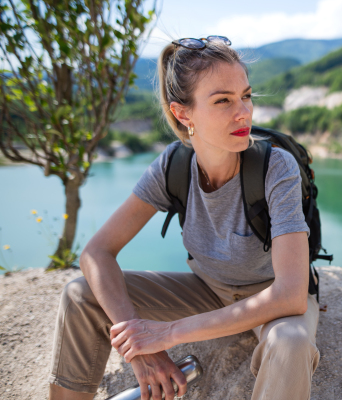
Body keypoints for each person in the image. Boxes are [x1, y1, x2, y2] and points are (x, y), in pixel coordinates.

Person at [47, 36, 320, 400]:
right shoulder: (173, 166)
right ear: (183, 113)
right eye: (223, 100)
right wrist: (140, 344)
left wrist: (167, 333)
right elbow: (96, 252)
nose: (244, 112)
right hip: (208, 290)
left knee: (291, 341)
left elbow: (289, 296)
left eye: (247, 96)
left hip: (268, 297)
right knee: (80, 293)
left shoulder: (275, 166)